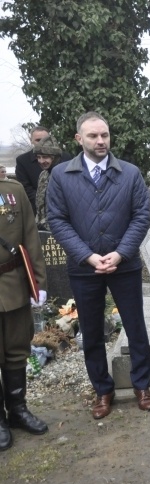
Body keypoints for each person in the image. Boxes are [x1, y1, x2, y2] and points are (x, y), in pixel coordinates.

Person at [47, 111, 150, 419]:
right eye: (93, 136)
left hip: (125, 265)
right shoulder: (61, 175)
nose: (100, 141)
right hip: (85, 268)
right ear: (79, 139)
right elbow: (57, 220)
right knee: (92, 331)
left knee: (135, 326)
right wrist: (87, 255)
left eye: (104, 135)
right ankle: (103, 390)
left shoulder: (130, 173)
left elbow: (141, 216)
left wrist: (121, 253)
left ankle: (142, 385)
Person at [0, 172, 48, 450]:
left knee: (17, 349)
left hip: (13, 284)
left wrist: (38, 283)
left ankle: (18, 410)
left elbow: (31, 239)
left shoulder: (13, 190)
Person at [14, 126, 67, 209]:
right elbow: (25, 187)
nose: (42, 143)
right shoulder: (23, 160)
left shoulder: (65, 157)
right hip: (36, 208)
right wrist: (43, 201)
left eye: (45, 139)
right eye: (38, 140)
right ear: (31, 140)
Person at [33, 135, 63, 230]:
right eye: (39, 157)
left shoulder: (64, 175)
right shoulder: (43, 174)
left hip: (59, 228)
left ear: (55, 158)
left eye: (45, 157)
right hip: (42, 227)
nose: (41, 161)